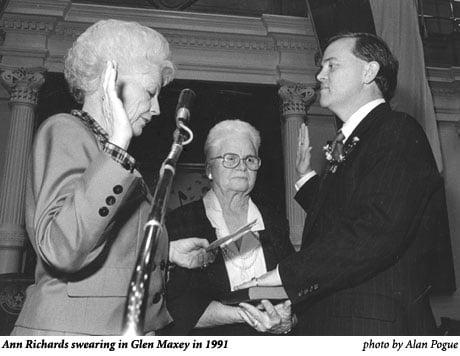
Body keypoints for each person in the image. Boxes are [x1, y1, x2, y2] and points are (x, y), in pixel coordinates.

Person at [12, 19, 213, 336]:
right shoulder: (65, 131)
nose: (157, 108)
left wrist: (167, 252)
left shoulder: (108, 155)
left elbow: (111, 242)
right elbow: (62, 249)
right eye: (150, 92)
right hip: (72, 335)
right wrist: (119, 142)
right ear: (111, 81)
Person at [239, 32, 441, 335]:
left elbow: (375, 230)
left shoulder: (397, 130)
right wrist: (293, 313)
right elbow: (341, 216)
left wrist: (285, 273)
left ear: (369, 72)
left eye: (332, 65)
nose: (320, 75)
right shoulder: (361, 139)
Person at [163, 120, 297, 335]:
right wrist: (248, 316)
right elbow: (178, 307)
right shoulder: (182, 221)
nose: (242, 166)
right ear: (209, 169)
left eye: (250, 159)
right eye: (231, 158)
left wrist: (288, 320)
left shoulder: (273, 220)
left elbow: (294, 288)